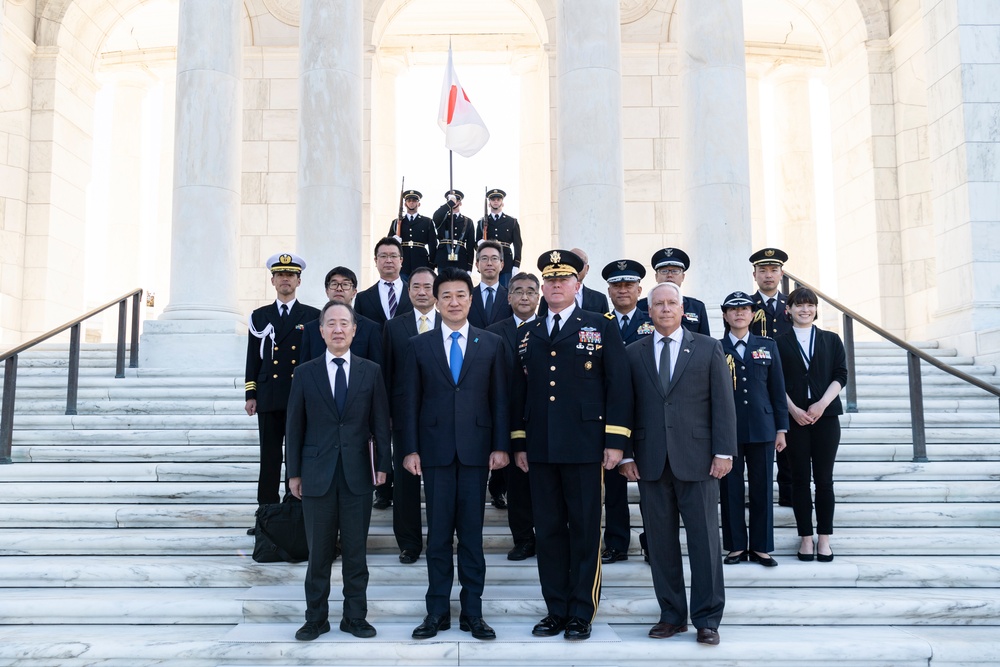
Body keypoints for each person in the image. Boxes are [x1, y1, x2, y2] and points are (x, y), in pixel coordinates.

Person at [510, 249, 632, 642]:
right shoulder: (527, 333)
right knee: (547, 531)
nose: (556, 286)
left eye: (563, 279)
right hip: (542, 447)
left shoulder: (599, 324)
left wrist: (615, 441)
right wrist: (519, 442)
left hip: (585, 446)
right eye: (550, 280)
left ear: (577, 285)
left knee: (582, 530)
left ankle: (582, 611)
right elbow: (520, 393)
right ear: (542, 289)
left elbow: (618, 386)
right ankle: (555, 609)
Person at [619, 281, 736, 646]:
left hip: (699, 461)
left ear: (682, 309)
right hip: (651, 462)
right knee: (661, 543)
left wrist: (724, 452)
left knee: (704, 542)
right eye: (658, 304)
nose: (665, 309)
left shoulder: (708, 347)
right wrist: (625, 454)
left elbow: (723, 404)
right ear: (648, 311)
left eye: (672, 303)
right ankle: (671, 614)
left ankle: (707, 618)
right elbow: (626, 406)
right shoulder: (632, 352)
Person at [401, 267, 510, 641]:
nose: (453, 302)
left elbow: (500, 399)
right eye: (445, 295)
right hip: (434, 453)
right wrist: (410, 449)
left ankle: (473, 613)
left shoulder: (490, 343)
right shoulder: (419, 345)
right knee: (438, 537)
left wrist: (500, 445)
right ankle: (436, 613)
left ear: (471, 298)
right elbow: (409, 401)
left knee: (472, 536)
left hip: (477, 452)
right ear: (435, 299)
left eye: (460, 295)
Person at [285, 301, 392, 641]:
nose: (338, 329)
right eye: (330, 323)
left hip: (358, 474)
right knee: (318, 554)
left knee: (356, 553)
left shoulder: (370, 371)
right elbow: (294, 427)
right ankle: (315, 618)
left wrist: (384, 467)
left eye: (344, 323)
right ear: (321, 330)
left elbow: (380, 424)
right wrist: (294, 473)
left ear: (354, 329)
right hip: (317, 475)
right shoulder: (305, 373)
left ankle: (354, 617)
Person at [775, 287, 847, 563]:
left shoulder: (831, 339)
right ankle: (806, 538)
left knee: (824, 480)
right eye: (799, 305)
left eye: (810, 305)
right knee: (800, 480)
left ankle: (824, 539)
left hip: (825, 419)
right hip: (794, 420)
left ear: (816, 309)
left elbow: (841, 375)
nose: (805, 310)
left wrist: (821, 404)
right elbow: (775, 381)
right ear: (788, 310)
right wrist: (792, 409)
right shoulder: (778, 342)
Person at [244, 253, 321, 511]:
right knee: (270, 456)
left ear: (299, 281)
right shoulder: (259, 316)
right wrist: (250, 394)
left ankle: (293, 508)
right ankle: (266, 510)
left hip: (300, 396)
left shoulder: (312, 315)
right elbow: (253, 357)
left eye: (290, 275)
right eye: (280, 275)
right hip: (269, 395)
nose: (285, 279)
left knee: (296, 455)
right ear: (272, 281)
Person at [718, 291, 789, 568]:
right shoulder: (715, 347)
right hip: (728, 429)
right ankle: (736, 546)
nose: (739, 314)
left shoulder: (767, 346)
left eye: (745, 309)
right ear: (725, 315)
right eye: (733, 310)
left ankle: (761, 547)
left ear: (752, 314)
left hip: (763, 426)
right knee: (730, 489)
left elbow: (777, 389)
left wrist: (781, 429)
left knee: (762, 488)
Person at [599, 259, 655, 566]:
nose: (623, 291)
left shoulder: (653, 320)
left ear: (639, 290)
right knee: (615, 486)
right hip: (612, 417)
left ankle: (653, 543)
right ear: (608, 291)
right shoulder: (597, 323)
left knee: (650, 485)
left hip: (648, 414)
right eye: (617, 286)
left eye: (628, 286)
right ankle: (617, 543)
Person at [381, 266, 438, 564]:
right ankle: (409, 543)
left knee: (441, 482)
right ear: (408, 290)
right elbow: (386, 376)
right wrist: (387, 415)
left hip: (442, 418)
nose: (421, 291)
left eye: (427, 286)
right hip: (404, 418)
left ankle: (440, 538)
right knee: (405, 483)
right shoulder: (394, 327)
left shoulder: (451, 321)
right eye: (415, 286)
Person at [487, 271, 541, 561]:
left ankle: (546, 537)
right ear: (508, 297)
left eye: (530, 291)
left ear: (538, 296)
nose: (524, 296)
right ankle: (523, 539)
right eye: (518, 291)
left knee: (544, 485)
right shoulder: (494, 332)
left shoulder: (548, 328)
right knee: (517, 485)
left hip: (545, 419)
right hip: (509, 418)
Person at [749, 247, 793, 506]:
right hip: (758, 381)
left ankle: (788, 493)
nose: (768, 275)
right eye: (762, 270)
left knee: (788, 442)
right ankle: (759, 494)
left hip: (789, 379)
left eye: (773, 270)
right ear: (754, 274)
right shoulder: (745, 305)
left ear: (781, 273)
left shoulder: (792, 304)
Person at [300, 267, 383, 366]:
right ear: (327, 291)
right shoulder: (311, 329)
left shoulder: (370, 328)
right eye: (334, 284)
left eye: (345, 285)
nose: (339, 289)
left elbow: (376, 373)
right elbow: (304, 370)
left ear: (354, 292)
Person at [637, 248, 710, 335]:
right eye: (664, 271)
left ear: (683, 276)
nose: (670, 275)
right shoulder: (640, 306)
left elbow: (705, 342)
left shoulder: (697, 307)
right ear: (656, 276)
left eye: (675, 271)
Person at [354, 237, 413, 329]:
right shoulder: (362, 298)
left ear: (401, 260)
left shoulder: (414, 294)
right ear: (375, 260)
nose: (388, 260)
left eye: (393, 256)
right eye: (383, 256)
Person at [537, 247, 609, 316]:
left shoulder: (599, 298)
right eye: (551, 280)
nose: (557, 285)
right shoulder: (548, 298)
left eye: (580, 262)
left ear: (587, 268)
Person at [475, 188, 523, 288]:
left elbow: (518, 245)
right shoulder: (482, 222)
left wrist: (516, 265)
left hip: (506, 261)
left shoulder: (511, 222)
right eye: (493, 199)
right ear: (489, 203)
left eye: (498, 199)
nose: (496, 202)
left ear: (502, 202)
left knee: (505, 292)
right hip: (489, 262)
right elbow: (476, 245)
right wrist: (479, 244)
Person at [389, 189, 437, 281]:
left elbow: (433, 244)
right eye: (409, 201)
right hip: (403, 263)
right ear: (405, 204)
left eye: (414, 201)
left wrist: (431, 264)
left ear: (418, 204)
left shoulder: (427, 222)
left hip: (421, 261)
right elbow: (388, 243)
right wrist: (394, 240)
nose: (411, 203)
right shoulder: (397, 222)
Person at [468, 240, 513, 330]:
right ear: (477, 265)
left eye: (494, 258)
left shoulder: (510, 296)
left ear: (502, 265)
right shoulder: (468, 296)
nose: (489, 263)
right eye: (484, 258)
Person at [432, 190, 477, 272]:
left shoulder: (468, 221)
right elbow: (436, 216)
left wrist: (469, 267)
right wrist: (450, 204)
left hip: (461, 259)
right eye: (451, 200)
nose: (454, 202)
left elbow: (470, 246)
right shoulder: (442, 218)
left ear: (460, 202)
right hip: (443, 258)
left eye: (456, 200)